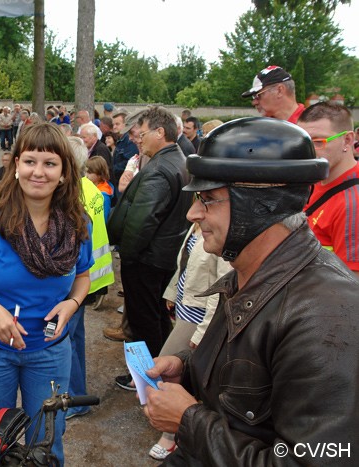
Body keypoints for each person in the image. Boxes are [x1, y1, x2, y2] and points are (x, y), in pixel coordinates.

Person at [143, 116, 358, 466]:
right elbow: (250, 382)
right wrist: (187, 368)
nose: (193, 213)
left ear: (260, 207)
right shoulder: (249, 273)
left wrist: (190, 422)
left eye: (209, 199)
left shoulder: (326, 317)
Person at [0, 123, 93, 465]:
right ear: (15, 166)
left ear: (64, 174)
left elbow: (83, 276)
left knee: (47, 443)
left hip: (50, 352)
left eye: (49, 163)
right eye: (29, 161)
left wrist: (72, 304)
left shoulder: (77, 223)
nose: (38, 172)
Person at [104, 106, 193, 361]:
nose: (138, 140)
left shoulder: (158, 169)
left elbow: (141, 222)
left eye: (142, 134)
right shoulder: (178, 159)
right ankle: (160, 368)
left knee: (144, 320)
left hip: (147, 259)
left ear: (160, 132)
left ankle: (145, 377)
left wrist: (128, 257)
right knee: (156, 315)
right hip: (164, 255)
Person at [145, 222, 232, 460]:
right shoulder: (196, 224)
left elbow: (223, 286)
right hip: (185, 308)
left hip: (199, 317)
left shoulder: (222, 231)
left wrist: (203, 331)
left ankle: (171, 437)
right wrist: (174, 293)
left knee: (170, 371)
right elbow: (184, 264)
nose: (193, 211)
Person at [64, 136, 114, 420]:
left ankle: (75, 398)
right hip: (92, 274)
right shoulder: (90, 188)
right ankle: (78, 392)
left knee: (68, 340)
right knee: (76, 338)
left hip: (78, 278)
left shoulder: (72, 194)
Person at [297, 102, 359, 277]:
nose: (309, 151)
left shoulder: (353, 203)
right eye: (304, 142)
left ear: (347, 140)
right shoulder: (313, 181)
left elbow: (352, 284)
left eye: (318, 142)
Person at [241, 65, 305, 123]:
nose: (254, 102)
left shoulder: (310, 126)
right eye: (253, 97)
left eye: (258, 96)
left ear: (279, 91)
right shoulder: (263, 128)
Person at [85, 155, 115, 221]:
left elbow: (103, 219)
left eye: (89, 172)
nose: (86, 176)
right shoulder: (92, 186)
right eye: (86, 172)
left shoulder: (104, 196)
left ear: (99, 174)